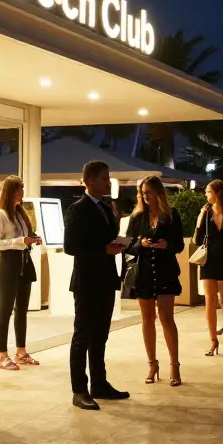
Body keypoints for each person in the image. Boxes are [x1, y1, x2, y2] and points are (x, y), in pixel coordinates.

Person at [64, 160, 130, 410]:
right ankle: (79, 389)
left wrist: (118, 240)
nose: (108, 181)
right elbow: (71, 246)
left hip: (105, 278)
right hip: (87, 281)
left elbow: (106, 239)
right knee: (83, 335)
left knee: (100, 335)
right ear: (90, 181)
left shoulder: (105, 207)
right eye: (104, 178)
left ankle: (99, 384)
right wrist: (103, 248)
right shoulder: (78, 209)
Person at [124, 176, 184, 386]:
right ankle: (152, 363)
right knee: (147, 319)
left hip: (165, 270)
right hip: (144, 272)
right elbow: (128, 246)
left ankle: (174, 366)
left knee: (167, 318)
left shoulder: (171, 215)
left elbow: (179, 245)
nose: (145, 196)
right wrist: (142, 244)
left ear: (158, 192)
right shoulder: (137, 217)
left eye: (148, 191)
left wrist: (166, 244)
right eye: (142, 192)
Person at [0, 175, 42, 371]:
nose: (22, 192)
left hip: (24, 263)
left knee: (22, 311)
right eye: (20, 189)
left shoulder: (20, 213)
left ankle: (21, 351)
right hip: (8, 264)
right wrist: (21, 241)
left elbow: (23, 238)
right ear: (11, 191)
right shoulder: (0, 215)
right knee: (5, 310)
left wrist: (32, 239)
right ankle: (2, 355)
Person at [194, 179, 223, 356]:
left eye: (208, 192)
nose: (206, 195)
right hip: (209, 260)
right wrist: (199, 220)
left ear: (217, 193)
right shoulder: (206, 213)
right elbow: (197, 240)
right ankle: (213, 341)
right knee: (210, 302)